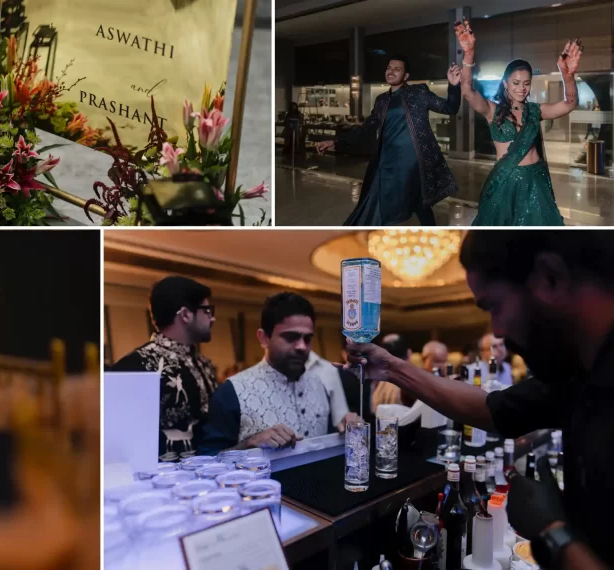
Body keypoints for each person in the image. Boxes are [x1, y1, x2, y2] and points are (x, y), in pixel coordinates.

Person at [344, 231, 614, 569]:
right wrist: (393, 368)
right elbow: (492, 408)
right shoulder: (579, 374)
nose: (497, 331)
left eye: (495, 307)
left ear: (550, 277)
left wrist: (554, 534)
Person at [454, 19, 580, 226]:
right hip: (506, 182)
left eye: (526, 83)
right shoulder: (492, 110)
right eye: (515, 83)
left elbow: (570, 104)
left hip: (535, 181)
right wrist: (468, 53)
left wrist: (567, 75)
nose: (521, 88)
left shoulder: (534, 111)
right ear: (505, 83)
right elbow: (467, 92)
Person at [199, 293, 358, 454]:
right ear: (264, 338)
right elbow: (208, 459)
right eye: (291, 337)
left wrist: (343, 427)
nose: (302, 346)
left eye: (308, 339)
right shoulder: (232, 391)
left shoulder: (319, 384)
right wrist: (250, 443)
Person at [315, 57, 462, 226]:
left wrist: (454, 86)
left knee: (417, 202)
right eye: (389, 67)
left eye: (397, 69)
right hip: (386, 161)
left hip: (412, 162)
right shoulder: (382, 100)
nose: (391, 71)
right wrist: (336, 141)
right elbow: (366, 129)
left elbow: (450, 107)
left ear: (406, 76)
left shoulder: (418, 92)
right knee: (383, 201)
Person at [111, 276, 219, 459]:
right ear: (185, 314)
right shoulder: (136, 367)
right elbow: (121, 449)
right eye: (207, 310)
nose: (213, 318)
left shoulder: (204, 364)